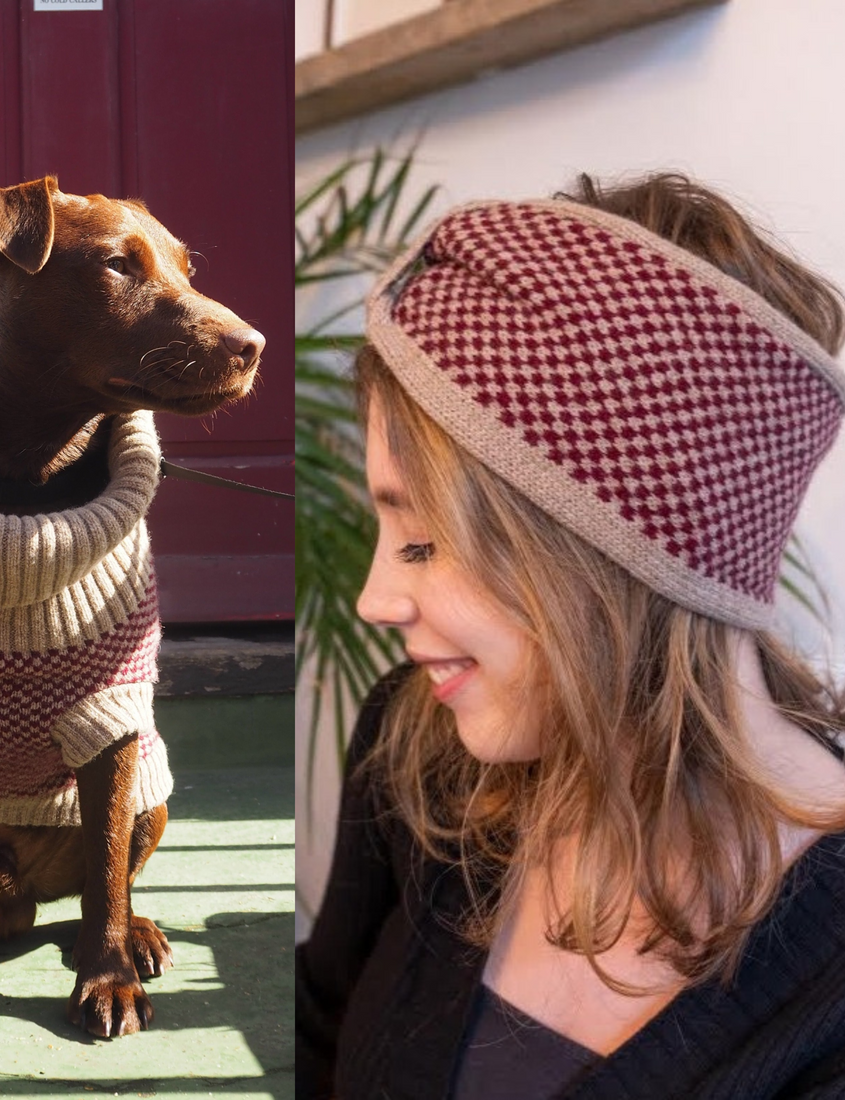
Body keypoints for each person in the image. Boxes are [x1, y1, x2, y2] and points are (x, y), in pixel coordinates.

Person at [295, 174, 845, 1100]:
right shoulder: (420, 752)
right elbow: (317, 1033)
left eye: (425, 539)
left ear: (607, 563)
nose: (375, 598)